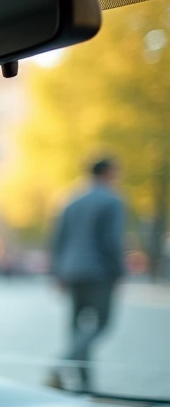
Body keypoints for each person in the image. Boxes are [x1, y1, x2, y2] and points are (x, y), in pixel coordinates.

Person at [48, 157, 127, 392]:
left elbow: (58, 239)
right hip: (99, 272)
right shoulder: (112, 200)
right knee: (102, 324)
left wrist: (58, 272)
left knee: (77, 328)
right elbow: (112, 241)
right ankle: (60, 365)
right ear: (109, 172)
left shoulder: (70, 200)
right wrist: (118, 273)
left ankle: (85, 384)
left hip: (71, 271)